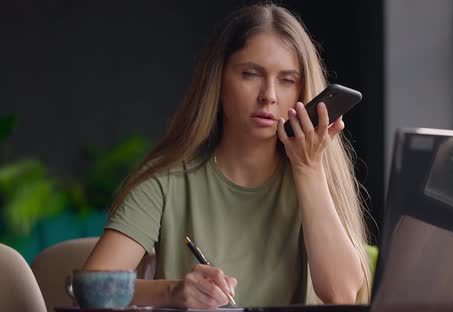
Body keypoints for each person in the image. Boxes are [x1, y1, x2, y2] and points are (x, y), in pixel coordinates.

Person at [83, 3, 371, 309]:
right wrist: (173, 292)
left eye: (287, 80)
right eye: (250, 74)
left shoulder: (315, 177)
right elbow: (91, 288)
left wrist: (309, 168)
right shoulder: (167, 180)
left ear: (302, 92)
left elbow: (341, 296)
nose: (269, 95)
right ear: (218, 82)